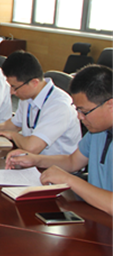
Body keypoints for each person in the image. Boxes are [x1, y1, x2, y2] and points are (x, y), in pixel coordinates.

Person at [6, 65, 112, 215]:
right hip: (95, 213)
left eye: (85, 111)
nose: (79, 117)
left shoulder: (97, 127)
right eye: (78, 110)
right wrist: (35, 160)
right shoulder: (97, 131)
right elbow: (72, 162)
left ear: (110, 105)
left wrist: (69, 180)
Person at [0, 51, 81, 155]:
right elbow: (15, 124)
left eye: (14, 87)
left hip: (54, 163)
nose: (12, 92)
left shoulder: (59, 105)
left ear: (34, 82)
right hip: (31, 158)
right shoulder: (27, 96)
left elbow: (32, 148)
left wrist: (13, 135)